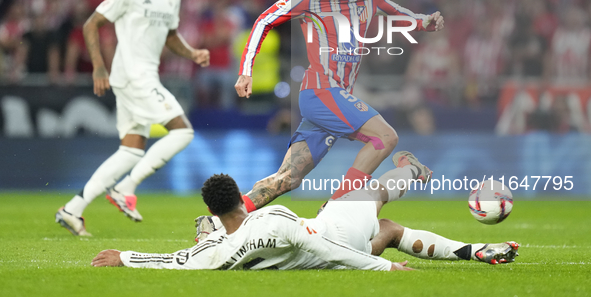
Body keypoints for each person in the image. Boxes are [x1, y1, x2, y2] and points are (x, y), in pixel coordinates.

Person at [231, 0, 444, 215]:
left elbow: (396, 12)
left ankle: (221, 220)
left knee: (288, 178)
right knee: (385, 138)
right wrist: (245, 71)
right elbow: (264, 21)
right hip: (320, 92)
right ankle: (334, 210)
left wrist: (422, 22)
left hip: (337, 98)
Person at [91, 159, 519, 270]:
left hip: (334, 243)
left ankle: (474, 252)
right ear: (243, 197)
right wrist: (383, 271)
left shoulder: (219, 250)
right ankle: (413, 169)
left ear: (210, 212)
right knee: (370, 191)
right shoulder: (268, 218)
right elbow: (328, 249)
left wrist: (126, 257)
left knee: (387, 229)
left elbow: (178, 261)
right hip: (335, 237)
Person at [55, 0, 210, 236]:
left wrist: (191, 52)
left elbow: (169, 35)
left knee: (131, 150)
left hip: (141, 75)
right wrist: (98, 67)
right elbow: (91, 24)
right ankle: (126, 187)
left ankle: (73, 209)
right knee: (183, 131)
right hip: (133, 75)